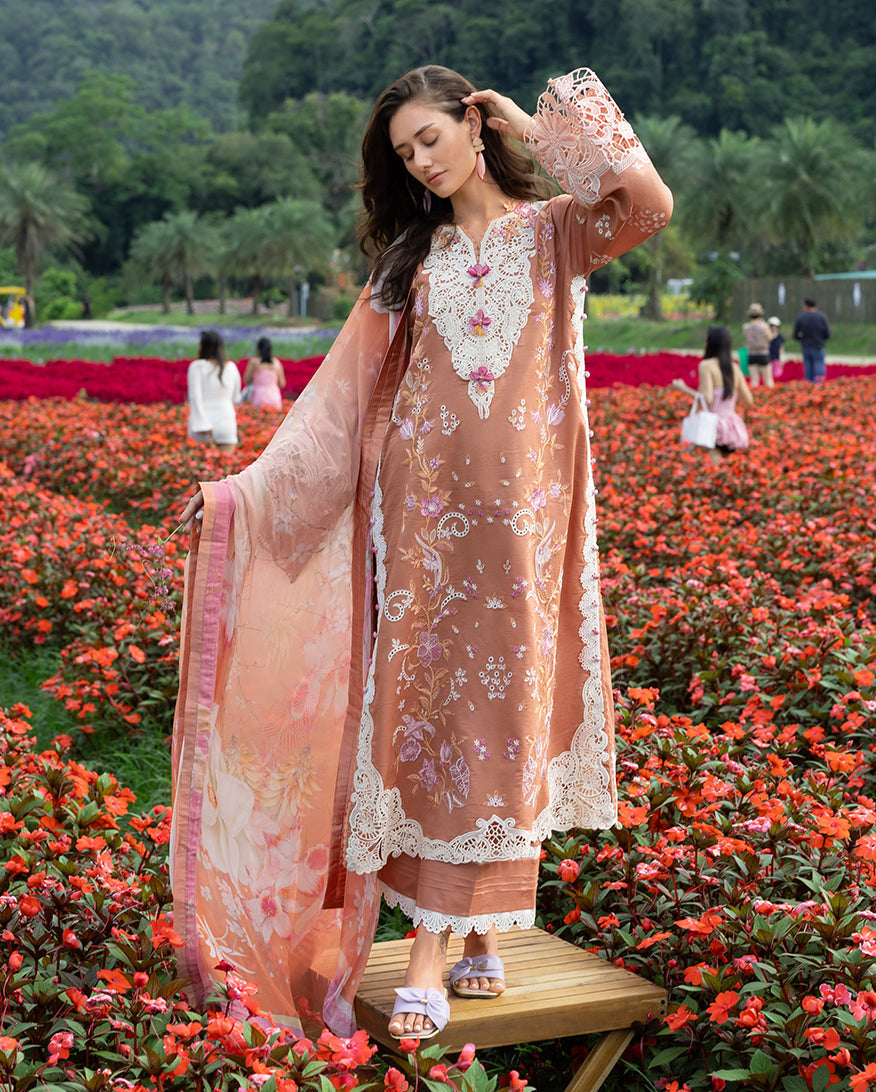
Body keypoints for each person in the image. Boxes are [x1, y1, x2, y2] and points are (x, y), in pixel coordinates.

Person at [173, 65, 672, 1043]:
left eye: (431, 139)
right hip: (425, 541)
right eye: (404, 154)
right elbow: (337, 402)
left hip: (525, 534)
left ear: (474, 126)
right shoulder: (412, 263)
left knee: (504, 724)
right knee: (435, 726)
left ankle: (475, 932)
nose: (421, 163)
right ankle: (441, 951)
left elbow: (645, 202)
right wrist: (240, 496)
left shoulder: (556, 235)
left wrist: (536, 128)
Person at [671, 325, 752, 464]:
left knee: (713, 466)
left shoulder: (706, 366)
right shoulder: (734, 367)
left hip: (712, 426)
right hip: (732, 427)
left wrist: (683, 388)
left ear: (710, 343)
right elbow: (748, 399)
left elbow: (707, 399)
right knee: (728, 467)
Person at [186, 329, 241, 453]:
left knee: (200, 464)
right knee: (227, 463)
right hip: (226, 422)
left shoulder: (197, 366)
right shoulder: (232, 367)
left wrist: (202, 424)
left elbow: (195, 398)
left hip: (202, 423)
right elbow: (236, 398)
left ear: (204, 346)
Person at [793, 297, 831, 382]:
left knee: (808, 368)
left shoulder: (801, 317)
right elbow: (827, 333)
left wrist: (802, 339)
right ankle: (819, 386)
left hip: (806, 346)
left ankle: (808, 386)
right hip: (818, 346)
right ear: (816, 306)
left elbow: (795, 335)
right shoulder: (822, 317)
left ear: (806, 306)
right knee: (819, 367)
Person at [243, 336, 286, 409]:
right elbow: (282, 384)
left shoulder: (254, 362)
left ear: (258, 349)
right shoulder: (277, 363)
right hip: (274, 397)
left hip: (258, 397)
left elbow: (246, 379)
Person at [742, 303, 772, 388]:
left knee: (754, 380)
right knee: (768, 379)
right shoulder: (765, 326)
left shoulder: (745, 327)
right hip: (763, 353)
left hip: (751, 354)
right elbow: (769, 337)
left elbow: (746, 337)